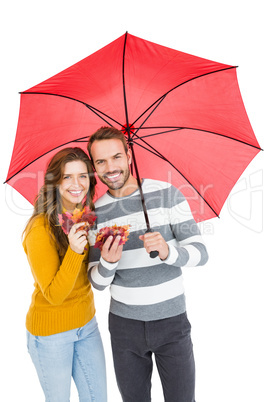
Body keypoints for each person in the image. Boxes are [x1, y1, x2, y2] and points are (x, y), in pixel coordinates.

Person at [87, 127, 209, 402]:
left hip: (172, 322)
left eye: (117, 157)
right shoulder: (95, 214)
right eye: (101, 161)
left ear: (129, 155)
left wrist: (168, 251)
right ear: (93, 165)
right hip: (124, 328)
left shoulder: (167, 193)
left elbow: (201, 253)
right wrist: (108, 262)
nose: (111, 167)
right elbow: (97, 283)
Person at [23, 147, 107, 402]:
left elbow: (91, 276)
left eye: (83, 176)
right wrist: (74, 250)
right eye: (67, 176)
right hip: (51, 333)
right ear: (55, 181)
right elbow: (55, 295)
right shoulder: (39, 229)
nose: (76, 183)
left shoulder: (86, 218)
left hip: (87, 325)